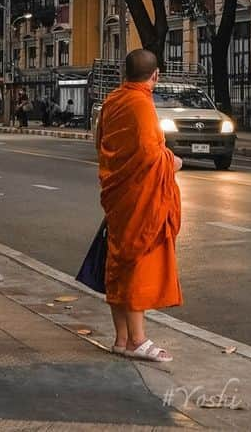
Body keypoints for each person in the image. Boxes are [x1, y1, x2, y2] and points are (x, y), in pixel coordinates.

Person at [97, 48, 182, 363]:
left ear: (124, 74)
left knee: (119, 261)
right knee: (136, 262)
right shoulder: (140, 103)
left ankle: (121, 338)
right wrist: (173, 161)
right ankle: (137, 339)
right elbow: (150, 154)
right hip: (140, 199)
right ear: (155, 76)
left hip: (120, 194)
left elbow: (103, 145)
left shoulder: (112, 101)